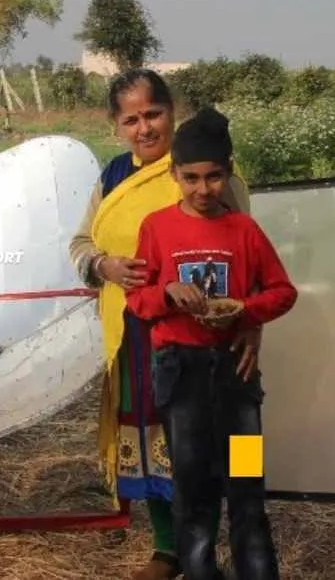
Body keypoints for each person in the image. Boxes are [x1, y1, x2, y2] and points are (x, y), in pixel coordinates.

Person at [68, 68, 261, 580]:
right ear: (117, 126)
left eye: (153, 114)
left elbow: (254, 264)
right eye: (131, 119)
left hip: (217, 339)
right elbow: (81, 244)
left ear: (171, 111)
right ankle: (173, 548)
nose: (144, 128)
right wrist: (105, 265)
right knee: (155, 439)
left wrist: (250, 323)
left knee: (235, 442)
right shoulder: (113, 177)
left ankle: (249, 539)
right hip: (140, 335)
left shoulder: (209, 170)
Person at [125, 106, 297, 579]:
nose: (203, 190)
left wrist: (246, 312)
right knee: (193, 486)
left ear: (228, 171)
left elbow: (283, 292)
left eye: (214, 177)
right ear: (175, 175)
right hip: (181, 377)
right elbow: (137, 299)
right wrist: (165, 293)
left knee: (246, 485)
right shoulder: (157, 228)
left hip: (236, 379)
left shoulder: (244, 230)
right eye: (191, 178)